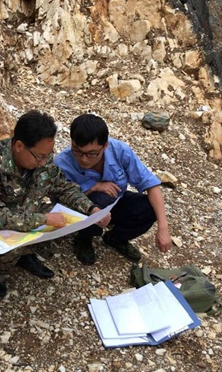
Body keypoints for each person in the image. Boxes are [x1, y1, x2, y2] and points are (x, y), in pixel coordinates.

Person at [0, 110, 111, 298]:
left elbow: (62, 186)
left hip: (26, 212)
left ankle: (25, 254)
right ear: (19, 146)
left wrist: (91, 209)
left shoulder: (41, 156)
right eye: (40, 157)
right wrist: (44, 219)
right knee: (9, 245)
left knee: (70, 217)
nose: (44, 162)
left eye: (48, 155)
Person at [54, 113, 172, 265]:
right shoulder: (62, 163)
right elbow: (60, 201)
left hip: (116, 201)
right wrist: (93, 187)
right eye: (77, 150)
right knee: (100, 198)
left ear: (105, 146)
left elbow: (150, 184)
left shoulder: (120, 151)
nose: (83, 159)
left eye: (91, 154)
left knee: (150, 207)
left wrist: (163, 227)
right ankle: (84, 239)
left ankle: (116, 238)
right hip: (84, 210)